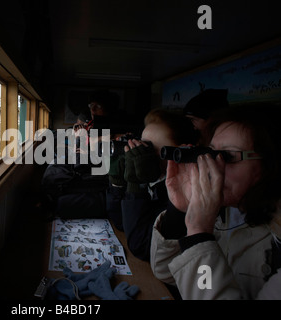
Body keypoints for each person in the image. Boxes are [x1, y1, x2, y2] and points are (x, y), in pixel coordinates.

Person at [150, 103, 281, 299]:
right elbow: (166, 272)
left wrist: (199, 235)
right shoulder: (226, 213)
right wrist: (179, 210)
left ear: (269, 164)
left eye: (228, 156)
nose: (213, 167)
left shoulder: (275, 241)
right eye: (210, 152)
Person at [107, 108, 199, 262]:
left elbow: (143, 247)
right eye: (142, 146)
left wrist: (137, 184)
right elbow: (121, 222)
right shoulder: (155, 181)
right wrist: (118, 183)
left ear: (180, 152)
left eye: (151, 150)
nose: (141, 155)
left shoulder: (182, 194)